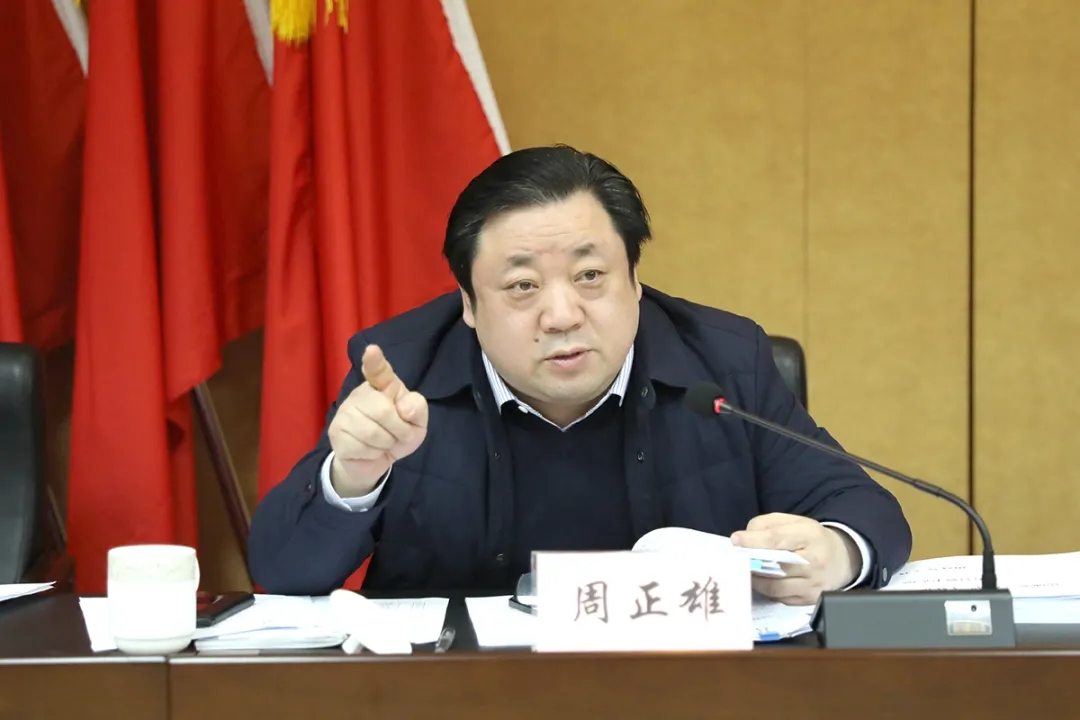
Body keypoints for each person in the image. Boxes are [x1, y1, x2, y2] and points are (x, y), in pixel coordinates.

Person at [248, 145, 912, 604]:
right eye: (522, 286)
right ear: (469, 305)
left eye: (591, 276)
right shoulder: (403, 374)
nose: (563, 314)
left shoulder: (724, 362)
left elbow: (866, 511)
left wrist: (836, 553)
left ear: (635, 281)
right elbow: (282, 571)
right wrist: (352, 479)